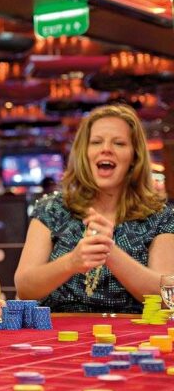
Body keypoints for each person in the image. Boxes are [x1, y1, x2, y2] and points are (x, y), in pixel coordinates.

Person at [14, 104, 174, 313]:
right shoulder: (51, 209)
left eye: (118, 143)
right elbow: (24, 288)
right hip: (57, 338)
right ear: (84, 153)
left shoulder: (160, 215)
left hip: (133, 340)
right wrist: (72, 262)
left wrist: (110, 253)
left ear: (134, 157)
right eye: (96, 142)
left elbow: (166, 296)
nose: (106, 149)